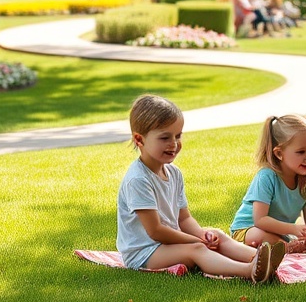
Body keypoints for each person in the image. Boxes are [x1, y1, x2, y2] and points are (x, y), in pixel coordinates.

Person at [117, 94, 285, 282]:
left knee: (216, 235)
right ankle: (250, 271)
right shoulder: (138, 179)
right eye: (165, 137)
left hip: (166, 244)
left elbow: (184, 218)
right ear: (139, 140)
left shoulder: (174, 173)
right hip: (144, 253)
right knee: (197, 249)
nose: (174, 144)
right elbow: (155, 231)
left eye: (178, 136)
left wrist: (201, 234)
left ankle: (260, 259)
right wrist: (196, 241)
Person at [230, 114, 306, 254]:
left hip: (279, 234)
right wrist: (292, 228)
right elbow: (260, 220)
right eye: (301, 152)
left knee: (287, 240)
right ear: (279, 154)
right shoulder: (267, 177)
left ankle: (281, 248)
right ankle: (285, 248)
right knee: (259, 236)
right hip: (247, 230)